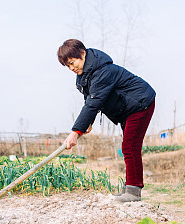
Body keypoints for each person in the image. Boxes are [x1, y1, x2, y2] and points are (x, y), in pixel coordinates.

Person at [57, 39, 156, 202]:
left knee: (130, 147)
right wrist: (87, 124)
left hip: (140, 102)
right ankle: (130, 189)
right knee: (129, 147)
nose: (72, 68)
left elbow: (94, 102)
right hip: (127, 108)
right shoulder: (83, 76)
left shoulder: (102, 70)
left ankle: (133, 192)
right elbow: (90, 100)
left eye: (72, 63)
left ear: (82, 53)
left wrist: (75, 131)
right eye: (68, 66)